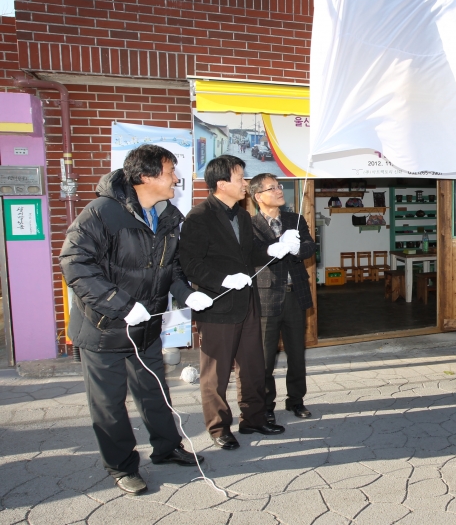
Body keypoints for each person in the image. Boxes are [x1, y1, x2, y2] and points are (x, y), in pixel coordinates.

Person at [60, 145, 215, 495]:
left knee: (154, 393)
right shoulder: (102, 212)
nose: (176, 177)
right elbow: (75, 263)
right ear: (146, 176)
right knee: (109, 404)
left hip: (145, 330)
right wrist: (120, 303)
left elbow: (172, 267)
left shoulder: (169, 215)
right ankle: (122, 466)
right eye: (170, 170)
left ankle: (167, 447)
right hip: (103, 330)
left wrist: (185, 293)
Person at [179, 155, 292, 450]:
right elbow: (189, 263)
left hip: (248, 302)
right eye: (240, 178)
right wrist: (222, 279)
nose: (245, 183)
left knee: (253, 365)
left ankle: (254, 418)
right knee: (216, 373)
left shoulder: (242, 215)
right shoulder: (199, 217)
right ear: (221, 184)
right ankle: (218, 428)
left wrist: (275, 248)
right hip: (218, 305)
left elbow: (251, 254)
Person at [248, 173, 316, 423]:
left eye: (279, 186)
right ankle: (266, 405)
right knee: (265, 357)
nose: (279, 190)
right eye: (272, 188)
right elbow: (251, 254)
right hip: (265, 298)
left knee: (297, 353)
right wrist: (276, 244)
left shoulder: (294, 219)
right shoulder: (251, 224)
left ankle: (296, 401)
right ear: (258, 196)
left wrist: (298, 248)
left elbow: (310, 246)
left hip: (294, 295)